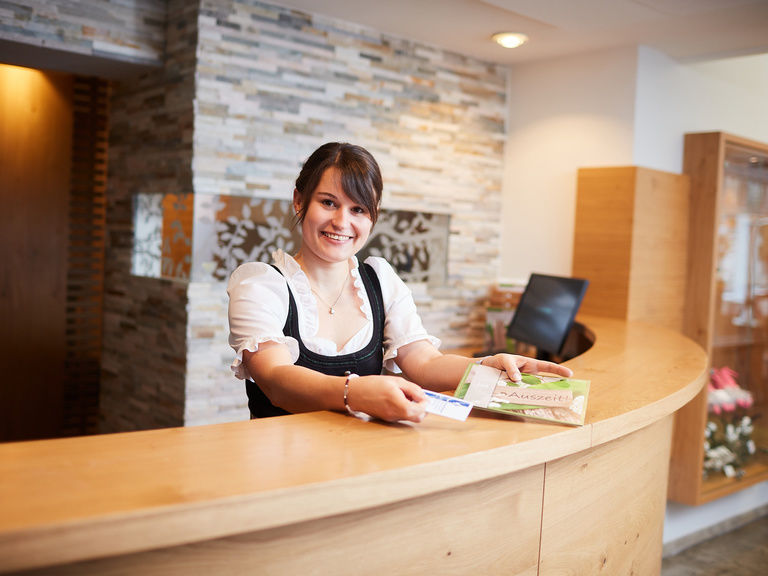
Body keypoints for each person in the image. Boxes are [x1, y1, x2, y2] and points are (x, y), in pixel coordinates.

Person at [227, 142, 572, 423]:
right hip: (283, 465)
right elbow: (275, 381)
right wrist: (355, 392)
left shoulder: (379, 279)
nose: (341, 221)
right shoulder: (259, 285)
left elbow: (424, 362)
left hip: (361, 458)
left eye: (358, 209)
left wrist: (484, 366)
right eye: (328, 202)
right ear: (299, 200)